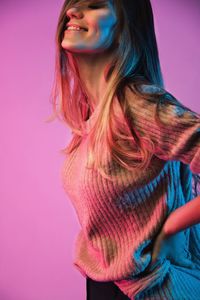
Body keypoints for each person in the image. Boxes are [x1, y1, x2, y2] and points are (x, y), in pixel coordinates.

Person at [50, 0, 200, 299]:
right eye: (73, 4)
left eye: (94, 5)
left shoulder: (136, 105)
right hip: (106, 284)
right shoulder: (91, 117)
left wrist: (172, 226)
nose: (71, 12)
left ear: (124, 29)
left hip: (152, 289)